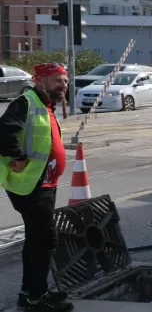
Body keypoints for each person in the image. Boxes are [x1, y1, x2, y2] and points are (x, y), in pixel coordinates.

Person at [0, 63, 72, 312]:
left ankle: (31, 293)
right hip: (31, 184)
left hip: (44, 183)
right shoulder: (26, 102)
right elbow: (5, 132)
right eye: (56, 80)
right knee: (45, 239)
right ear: (39, 80)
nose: (62, 85)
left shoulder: (46, 105)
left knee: (37, 239)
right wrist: (18, 156)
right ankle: (34, 297)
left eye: (64, 80)